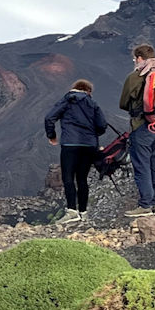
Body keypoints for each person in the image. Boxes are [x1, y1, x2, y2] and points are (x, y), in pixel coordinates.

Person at [44, 79, 109, 224]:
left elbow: (49, 117)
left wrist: (52, 136)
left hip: (70, 144)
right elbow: (102, 125)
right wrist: (93, 135)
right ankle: (83, 212)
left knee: (68, 178)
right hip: (89, 146)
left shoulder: (67, 100)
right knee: (82, 179)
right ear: (88, 91)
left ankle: (72, 211)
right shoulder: (93, 104)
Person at [119, 44, 155, 217]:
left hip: (141, 127)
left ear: (139, 58)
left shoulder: (135, 77)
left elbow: (123, 103)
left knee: (142, 165)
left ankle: (145, 205)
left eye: (135, 59)